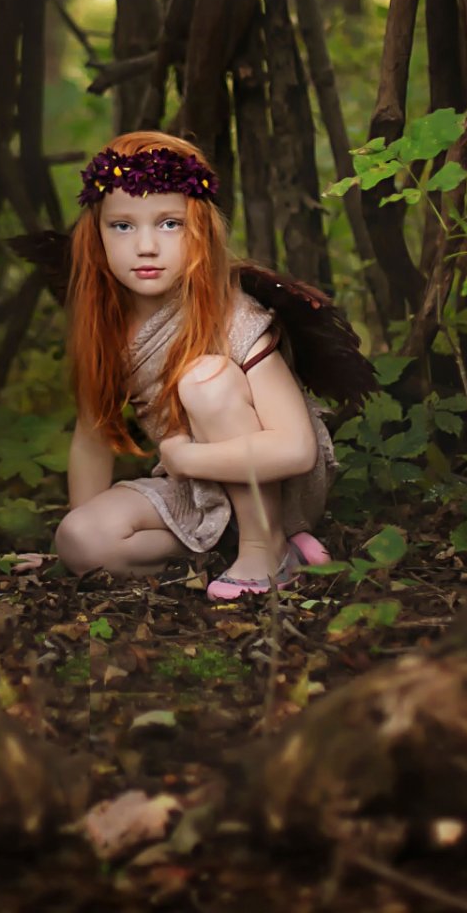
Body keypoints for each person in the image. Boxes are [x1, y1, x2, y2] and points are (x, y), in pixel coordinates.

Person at [51, 130, 335, 597]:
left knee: (207, 380)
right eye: (122, 226)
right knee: (81, 542)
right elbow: (92, 433)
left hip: (277, 485)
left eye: (169, 224)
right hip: (198, 489)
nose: (146, 246)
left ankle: (268, 549)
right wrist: (77, 524)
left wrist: (186, 457)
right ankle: (238, 549)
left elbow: (296, 449)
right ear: (97, 235)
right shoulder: (104, 325)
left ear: (199, 230)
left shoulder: (233, 315)